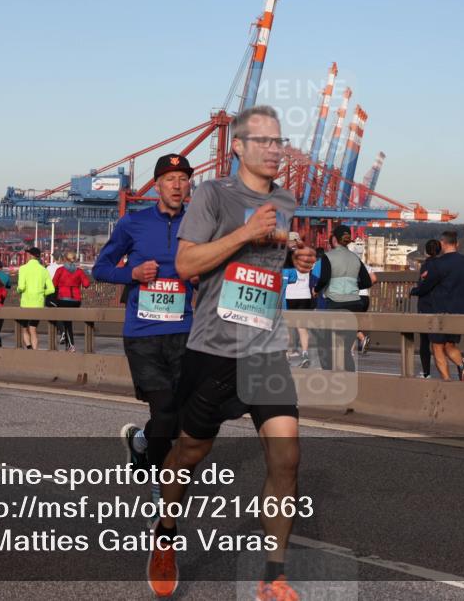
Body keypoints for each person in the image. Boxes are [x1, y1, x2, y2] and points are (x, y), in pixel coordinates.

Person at [148, 106, 316, 600]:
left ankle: (272, 575)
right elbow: (184, 263)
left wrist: (296, 256)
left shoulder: (286, 200)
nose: (273, 149)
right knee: (191, 452)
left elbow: (269, 257)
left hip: (265, 349)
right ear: (237, 147)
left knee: (287, 457)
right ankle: (164, 535)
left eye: (278, 141)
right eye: (261, 140)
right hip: (213, 348)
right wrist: (244, 232)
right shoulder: (212, 194)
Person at [92, 153, 197, 502]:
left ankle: (140, 442)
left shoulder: (200, 224)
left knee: (178, 418)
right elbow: (101, 269)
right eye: (170, 179)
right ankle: (158, 487)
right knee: (164, 409)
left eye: (183, 178)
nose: (178, 185)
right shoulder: (132, 224)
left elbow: (212, 272)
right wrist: (132, 274)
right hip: (142, 334)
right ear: (158, 185)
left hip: (185, 332)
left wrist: (200, 277)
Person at [412, 231, 464, 381]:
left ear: (443, 243)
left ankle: (446, 380)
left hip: (441, 311)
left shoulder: (439, 264)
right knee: (450, 345)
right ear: (456, 244)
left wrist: (414, 290)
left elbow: (426, 286)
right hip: (461, 310)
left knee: (437, 346)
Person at [314, 224, 372, 372]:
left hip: (335, 303)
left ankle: (329, 375)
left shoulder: (329, 256)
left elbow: (324, 279)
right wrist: (353, 285)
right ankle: (349, 377)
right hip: (355, 304)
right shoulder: (355, 258)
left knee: (326, 345)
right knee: (345, 349)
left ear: (334, 239)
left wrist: (315, 290)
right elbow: (367, 282)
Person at [282, 236, 315, 368]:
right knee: (302, 328)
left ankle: (286, 356)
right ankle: (305, 354)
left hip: (290, 296)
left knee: (285, 328)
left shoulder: (286, 257)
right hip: (305, 295)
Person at [411, 239, 442, 378]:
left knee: (425, 342)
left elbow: (424, 287)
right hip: (440, 306)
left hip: (426, 306)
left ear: (426, 251)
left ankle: (426, 372)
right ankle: (458, 366)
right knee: (441, 342)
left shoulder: (426, 266)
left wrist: (414, 291)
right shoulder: (443, 265)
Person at [16, 247, 54, 350]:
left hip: (25, 304)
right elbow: (51, 289)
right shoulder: (44, 270)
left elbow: (21, 287)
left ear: (30, 255)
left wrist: (18, 290)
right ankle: (35, 351)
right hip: (38, 304)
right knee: (33, 329)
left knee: (24, 329)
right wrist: (42, 293)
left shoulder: (23, 268)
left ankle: (29, 348)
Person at [52, 251, 90, 352]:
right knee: (68, 322)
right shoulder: (79, 271)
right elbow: (86, 284)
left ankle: (71, 345)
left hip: (63, 299)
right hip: (76, 300)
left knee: (66, 323)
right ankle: (69, 345)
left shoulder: (60, 270)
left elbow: (53, 284)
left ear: (65, 259)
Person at [356, 256, 377, 356]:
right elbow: (374, 279)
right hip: (365, 297)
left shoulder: (350, 266)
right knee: (356, 323)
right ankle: (353, 349)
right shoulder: (366, 266)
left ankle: (362, 339)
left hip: (355, 296)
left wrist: (357, 286)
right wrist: (364, 285)